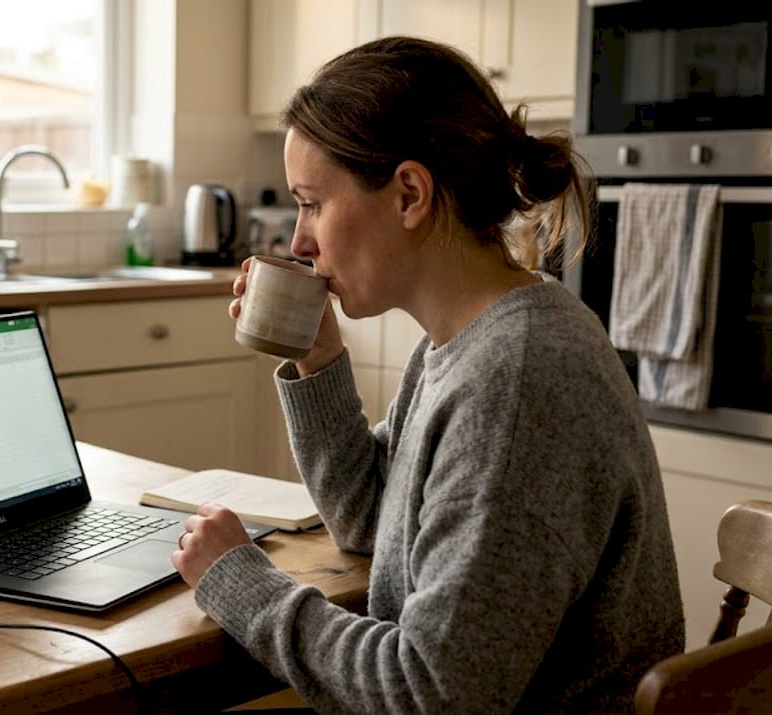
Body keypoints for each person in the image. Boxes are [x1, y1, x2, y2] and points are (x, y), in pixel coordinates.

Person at [171, 36, 684, 714]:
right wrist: (318, 359)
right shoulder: (464, 341)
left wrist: (242, 583)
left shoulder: (518, 380)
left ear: (409, 193)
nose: (298, 242)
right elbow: (375, 522)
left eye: (312, 203)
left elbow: (433, 695)